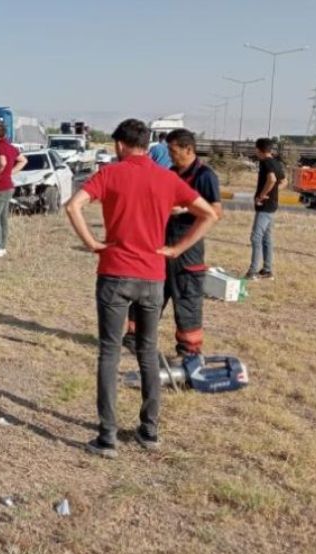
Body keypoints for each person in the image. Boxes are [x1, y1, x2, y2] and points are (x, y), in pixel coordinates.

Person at [65, 119, 218, 458]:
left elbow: (72, 205)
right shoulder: (168, 178)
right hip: (153, 277)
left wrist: (92, 242)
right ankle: (149, 430)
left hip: (114, 274)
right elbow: (209, 213)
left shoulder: (110, 174)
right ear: (148, 145)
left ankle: (107, 437)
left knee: (109, 352)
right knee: (149, 352)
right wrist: (177, 250)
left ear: (120, 144)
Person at [123, 128, 223, 358]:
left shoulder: (205, 176)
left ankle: (188, 351)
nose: (170, 154)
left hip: (187, 247)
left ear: (188, 149)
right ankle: (134, 338)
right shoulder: (171, 173)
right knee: (148, 292)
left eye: (173, 149)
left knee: (186, 299)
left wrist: (186, 208)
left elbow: (216, 211)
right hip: (162, 243)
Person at [0, 123, 27, 258]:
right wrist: (11, 173)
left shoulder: (0, 146)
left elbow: (2, 162)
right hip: (8, 187)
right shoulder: (10, 147)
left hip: (0, 187)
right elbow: (23, 160)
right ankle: (2, 246)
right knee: (3, 218)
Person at [245, 138, 284, 280]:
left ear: (258, 150)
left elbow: (272, 179)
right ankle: (267, 270)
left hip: (265, 206)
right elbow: (283, 181)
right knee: (267, 238)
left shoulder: (265, 162)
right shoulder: (276, 163)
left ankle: (253, 271)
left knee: (256, 237)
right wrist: (273, 192)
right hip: (272, 205)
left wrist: (262, 195)